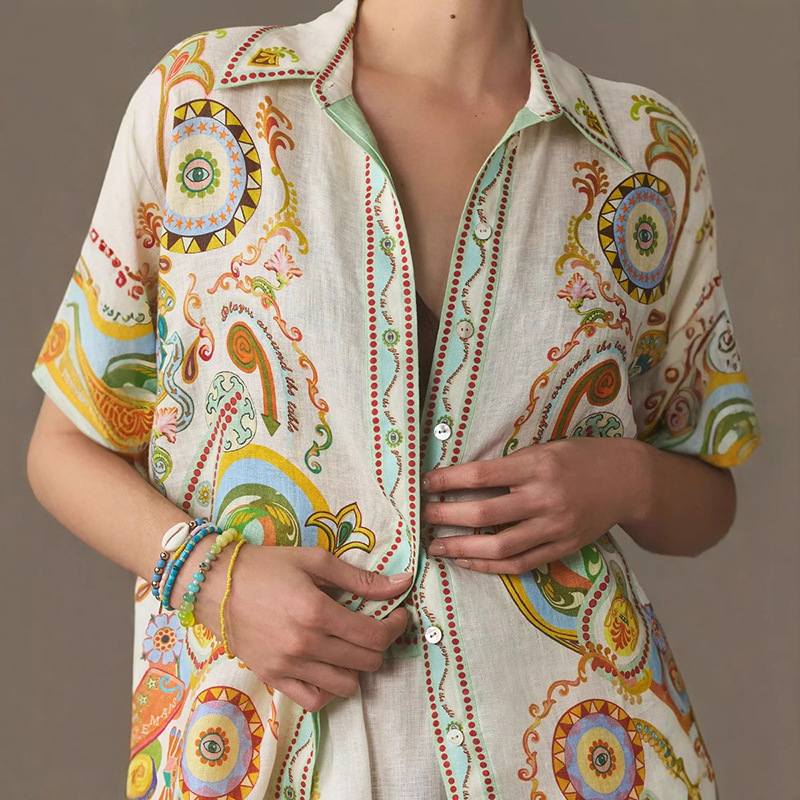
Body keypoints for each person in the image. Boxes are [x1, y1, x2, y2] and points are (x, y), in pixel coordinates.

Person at [26, 0, 762, 797]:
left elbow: (706, 494)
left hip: (580, 756)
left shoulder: (645, 151)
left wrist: (626, 479)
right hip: (258, 753)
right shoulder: (207, 99)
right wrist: (212, 579)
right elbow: (63, 448)